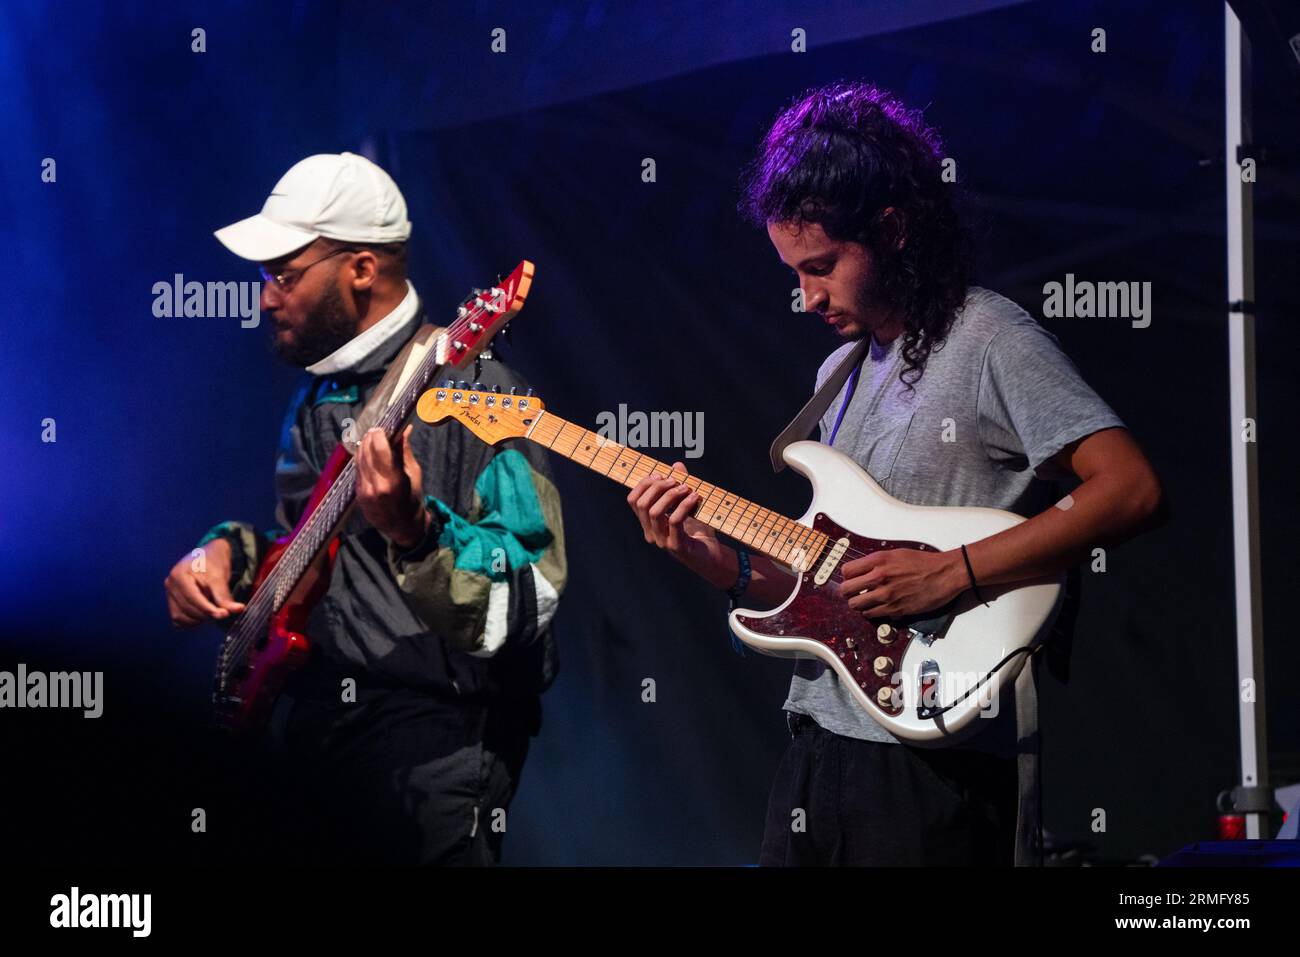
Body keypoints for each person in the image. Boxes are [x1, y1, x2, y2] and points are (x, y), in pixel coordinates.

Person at [625, 82, 1165, 865]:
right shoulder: (835, 372)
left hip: (932, 760)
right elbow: (825, 587)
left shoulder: (988, 337)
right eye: (794, 271)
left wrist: (954, 572)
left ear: (892, 228)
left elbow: (1132, 488)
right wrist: (714, 563)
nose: (806, 295)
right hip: (819, 747)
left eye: (822, 267)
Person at [163, 152, 566, 865]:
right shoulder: (319, 398)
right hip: (317, 728)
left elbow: (528, 595)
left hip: (436, 749)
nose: (265, 297)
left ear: (360, 269)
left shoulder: (487, 395)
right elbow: (311, 548)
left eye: (284, 275)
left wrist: (416, 535)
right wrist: (227, 551)